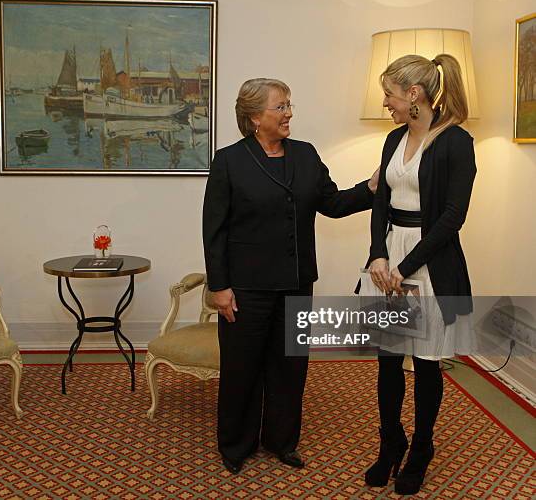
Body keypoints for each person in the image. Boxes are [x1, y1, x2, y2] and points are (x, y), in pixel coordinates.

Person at [203, 78, 379, 474]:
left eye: (288, 105)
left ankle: (281, 441)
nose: (289, 114)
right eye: (280, 107)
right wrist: (220, 286)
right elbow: (213, 229)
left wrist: (369, 189)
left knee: (290, 367)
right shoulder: (229, 161)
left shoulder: (305, 155)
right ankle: (236, 444)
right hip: (246, 287)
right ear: (254, 117)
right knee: (241, 367)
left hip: (297, 281)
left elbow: (331, 204)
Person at [362, 54, 476, 495]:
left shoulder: (455, 142)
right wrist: (378, 257)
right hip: (388, 257)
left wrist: (405, 268)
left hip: (429, 262)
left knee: (427, 362)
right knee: (388, 358)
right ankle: (391, 442)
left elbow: (452, 217)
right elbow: (380, 202)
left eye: (390, 93)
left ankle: (422, 447)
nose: (385, 102)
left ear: (414, 94)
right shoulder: (392, 138)